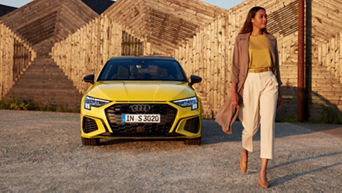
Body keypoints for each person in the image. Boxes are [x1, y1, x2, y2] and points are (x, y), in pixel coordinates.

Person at [215, 6, 282, 188]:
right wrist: (233, 92)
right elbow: (235, 67)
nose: (265, 19)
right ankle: (245, 150)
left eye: (266, 17)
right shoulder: (242, 40)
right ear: (252, 19)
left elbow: (277, 67)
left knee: (268, 126)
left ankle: (263, 172)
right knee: (250, 127)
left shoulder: (271, 39)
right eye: (261, 16)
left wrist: (280, 90)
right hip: (250, 81)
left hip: (269, 80)